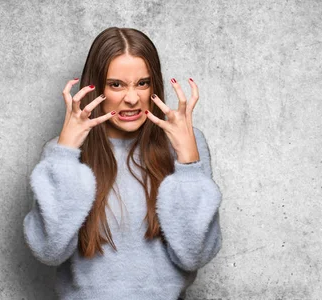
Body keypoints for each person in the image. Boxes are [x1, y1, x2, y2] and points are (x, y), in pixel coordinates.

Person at [22, 27, 223, 299]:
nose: (132, 98)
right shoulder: (61, 154)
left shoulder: (187, 144)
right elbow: (49, 250)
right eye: (116, 84)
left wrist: (188, 163)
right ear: (96, 88)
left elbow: (194, 255)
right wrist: (65, 154)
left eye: (143, 83)